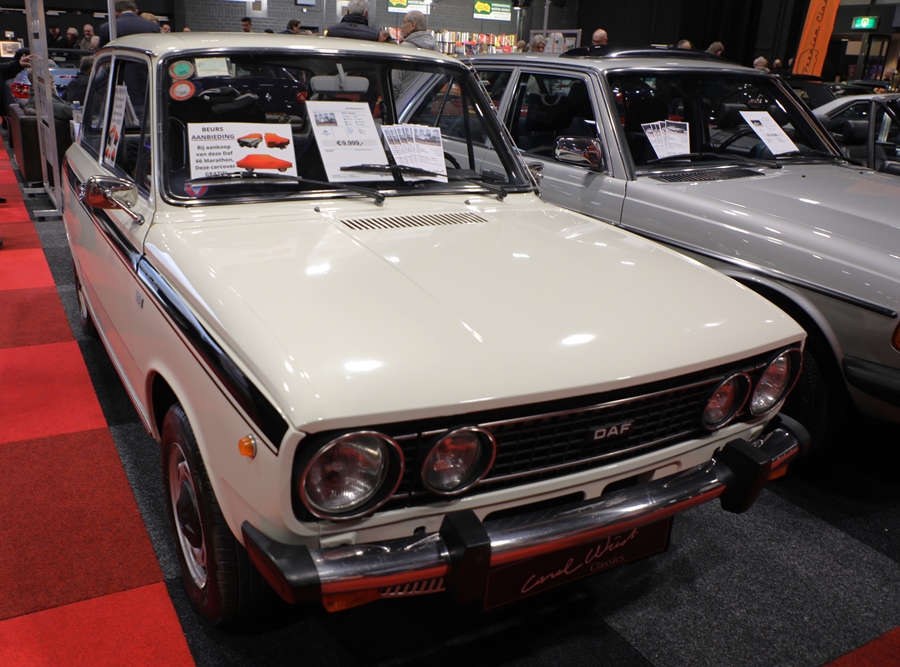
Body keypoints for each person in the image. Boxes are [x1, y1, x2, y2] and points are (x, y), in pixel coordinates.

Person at [392, 11, 439, 96]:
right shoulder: (436, 50)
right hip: (427, 101)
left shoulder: (402, 50)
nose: (402, 26)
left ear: (413, 25)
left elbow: (394, 84)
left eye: (404, 22)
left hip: (404, 102)